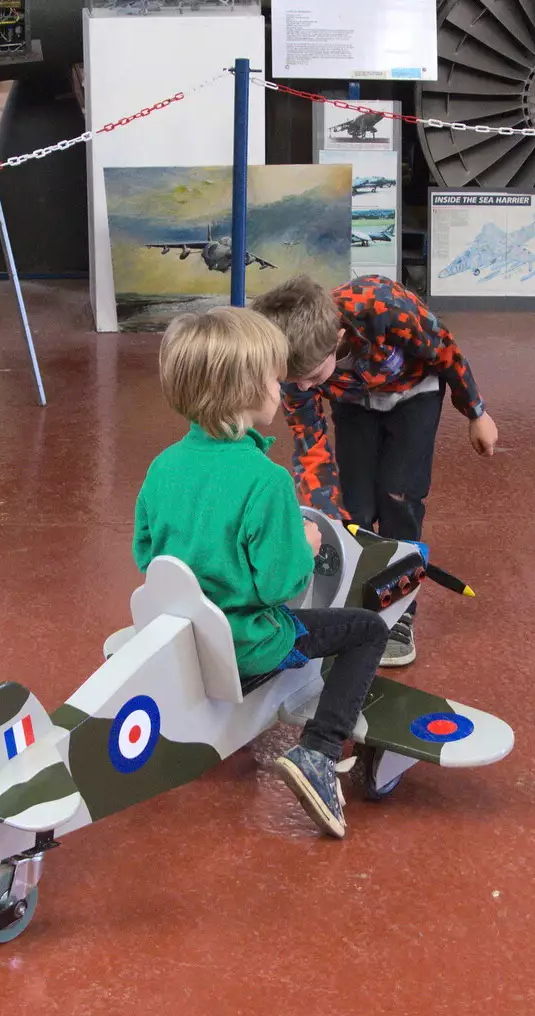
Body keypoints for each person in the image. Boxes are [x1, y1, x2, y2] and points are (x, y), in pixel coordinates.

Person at [133, 306, 390, 838]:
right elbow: (283, 585)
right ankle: (319, 752)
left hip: (184, 639)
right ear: (248, 388)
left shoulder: (162, 466)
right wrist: (305, 543)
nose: (282, 388)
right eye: (275, 378)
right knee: (368, 630)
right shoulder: (266, 481)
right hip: (248, 646)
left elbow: (146, 555)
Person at [250, 274, 498, 667]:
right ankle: (357, 607)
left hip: (415, 393)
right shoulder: (297, 370)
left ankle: (398, 614)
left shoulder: (382, 303)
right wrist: (325, 516)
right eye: (292, 381)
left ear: (336, 338)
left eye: (311, 377)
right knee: (355, 510)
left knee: (399, 496)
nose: (302, 385)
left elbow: (445, 350)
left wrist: (476, 412)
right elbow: (310, 443)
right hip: (353, 405)